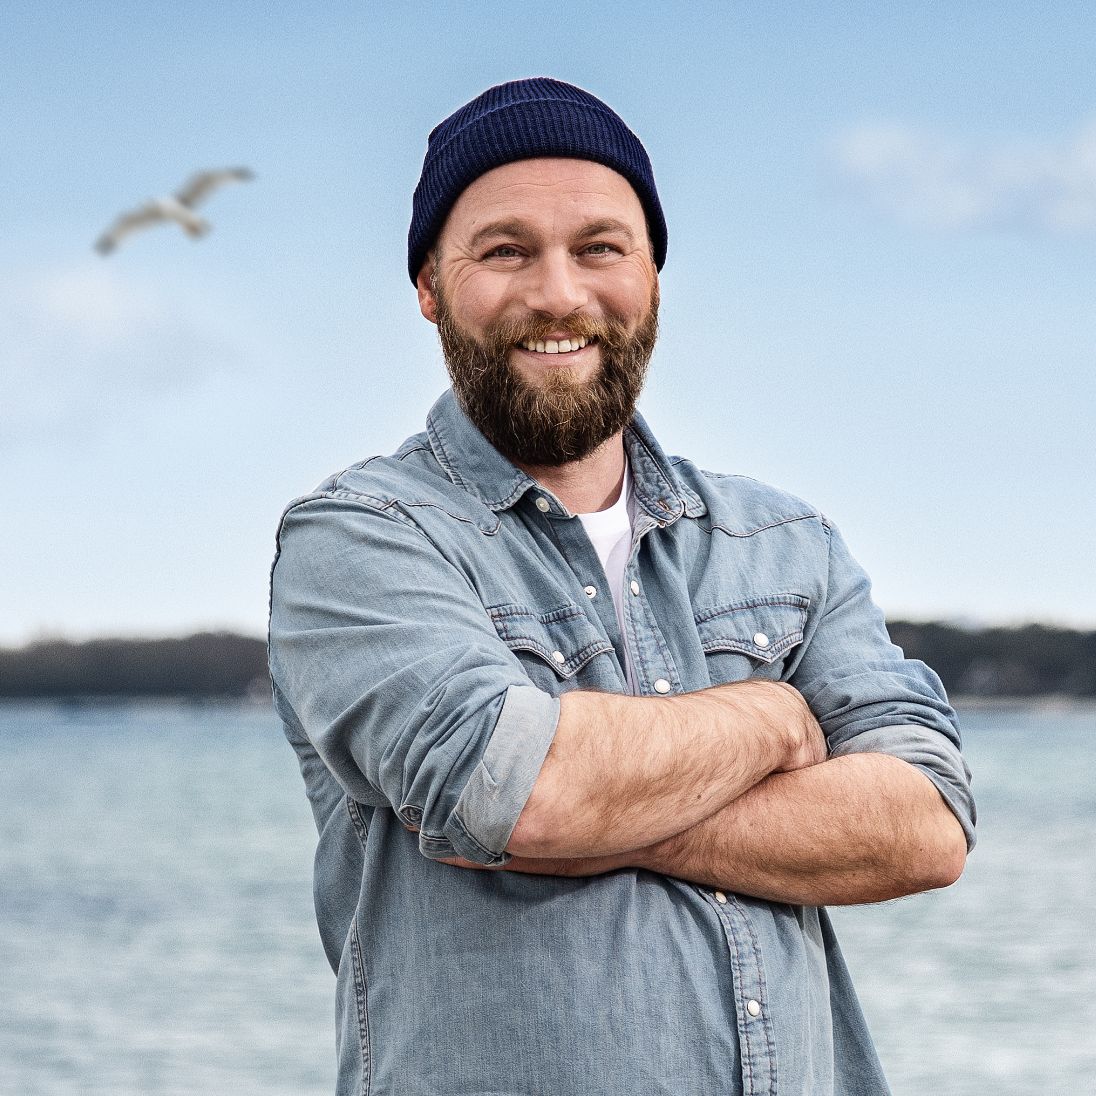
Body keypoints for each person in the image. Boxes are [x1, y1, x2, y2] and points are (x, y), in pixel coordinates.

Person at [268, 77, 975, 1096]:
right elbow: (514, 792)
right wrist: (774, 723)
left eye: (600, 247)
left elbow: (924, 825)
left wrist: (600, 811)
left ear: (652, 275)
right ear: (429, 284)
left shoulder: (783, 542)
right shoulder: (360, 540)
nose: (558, 292)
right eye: (505, 249)